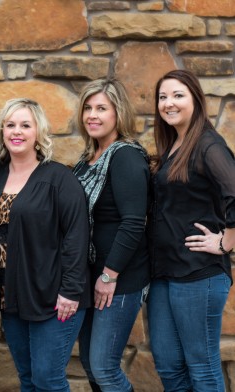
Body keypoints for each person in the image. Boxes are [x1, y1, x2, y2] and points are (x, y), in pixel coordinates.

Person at [0, 98, 90, 392]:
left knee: (48, 379)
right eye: (10, 125)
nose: (17, 132)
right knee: (28, 379)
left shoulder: (59, 178)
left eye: (25, 125)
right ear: (2, 131)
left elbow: (77, 237)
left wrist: (70, 290)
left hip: (53, 297)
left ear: (38, 132)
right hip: (12, 296)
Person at [147, 69, 234, 392]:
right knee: (169, 366)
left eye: (178, 95)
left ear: (195, 99)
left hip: (199, 273)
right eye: (163, 97)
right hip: (165, 273)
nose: (169, 103)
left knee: (202, 366)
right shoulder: (175, 144)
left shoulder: (208, 145)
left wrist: (226, 243)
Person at [73, 78, 151, 392]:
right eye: (88, 108)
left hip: (119, 278)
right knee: (93, 366)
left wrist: (109, 275)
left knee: (104, 368)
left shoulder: (126, 157)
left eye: (101, 108)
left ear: (118, 114)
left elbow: (133, 223)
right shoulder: (87, 160)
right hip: (90, 275)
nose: (93, 115)